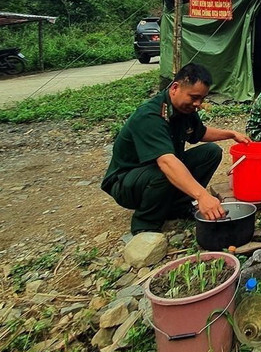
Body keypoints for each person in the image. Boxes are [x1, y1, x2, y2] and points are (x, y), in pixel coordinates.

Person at [101, 63, 250, 234]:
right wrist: (202, 196)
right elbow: (166, 162)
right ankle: (145, 225)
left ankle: (177, 208)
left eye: (202, 99)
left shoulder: (185, 109)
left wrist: (230, 134)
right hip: (126, 182)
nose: (198, 104)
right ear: (175, 88)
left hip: (155, 171)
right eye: (194, 97)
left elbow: (200, 133)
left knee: (210, 152)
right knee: (166, 170)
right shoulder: (151, 116)